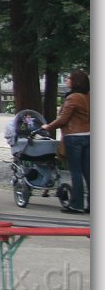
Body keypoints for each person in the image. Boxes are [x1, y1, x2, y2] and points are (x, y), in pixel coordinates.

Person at [42, 69, 90, 214]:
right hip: (89, 135)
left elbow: (63, 118)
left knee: (76, 171)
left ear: (76, 82)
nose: (67, 80)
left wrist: (48, 127)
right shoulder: (89, 96)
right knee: (88, 171)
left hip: (74, 136)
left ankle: (77, 204)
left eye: (69, 78)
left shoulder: (73, 98)